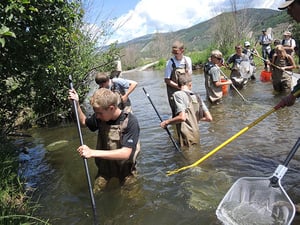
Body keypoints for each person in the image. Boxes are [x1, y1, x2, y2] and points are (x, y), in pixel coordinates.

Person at [68, 88, 140, 192]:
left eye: (99, 113)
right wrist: (76, 104)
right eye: (95, 113)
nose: (97, 116)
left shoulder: (130, 122)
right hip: (105, 170)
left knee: (132, 199)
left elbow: (126, 153)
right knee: (96, 192)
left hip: (126, 171)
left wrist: (92, 152)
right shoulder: (100, 117)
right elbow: (83, 122)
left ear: (111, 108)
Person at [160, 73, 212, 147]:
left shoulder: (178, 94)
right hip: (196, 134)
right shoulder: (197, 96)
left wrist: (166, 122)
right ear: (190, 84)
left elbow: (182, 117)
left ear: (178, 85)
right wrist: (194, 118)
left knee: (187, 156)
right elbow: (209, 118)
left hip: (186, 135)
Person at [165, 40, 192, 117]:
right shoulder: (170, 63)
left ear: (182, 50)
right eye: (173, 53)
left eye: (176, 52)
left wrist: (189, 91)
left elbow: (189, 76)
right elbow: (166, 80)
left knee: (188, 111)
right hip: (173, 91)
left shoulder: (188, 60)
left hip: (186, 90)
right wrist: (179, 87)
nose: (175, 54)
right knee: (176, 113)